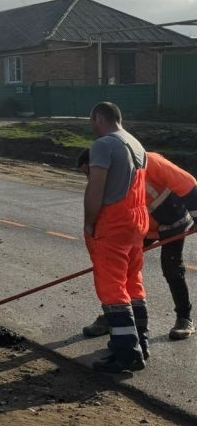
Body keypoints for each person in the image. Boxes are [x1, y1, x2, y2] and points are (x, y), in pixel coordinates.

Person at [79, 149, 195, 340]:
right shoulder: (104, 185)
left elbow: (188, 183)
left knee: (172, 267)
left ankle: (184, 319)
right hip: (142, 227)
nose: (90, 178)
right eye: (86, 175)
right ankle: (116, 317)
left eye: (90, 172)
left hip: (174, 221)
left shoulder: (150, 161)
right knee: (119, 269)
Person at [82, 101, 150, 373]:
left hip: (114, 225)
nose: (93, 128)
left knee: (112, 289)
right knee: (132, 284)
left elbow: (95, 188)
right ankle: (139, 344)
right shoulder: (136, 144)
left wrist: (89, 223)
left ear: (99, 117)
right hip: (137, 222)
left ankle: (126, 355)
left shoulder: (104, 145)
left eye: (93, 122)